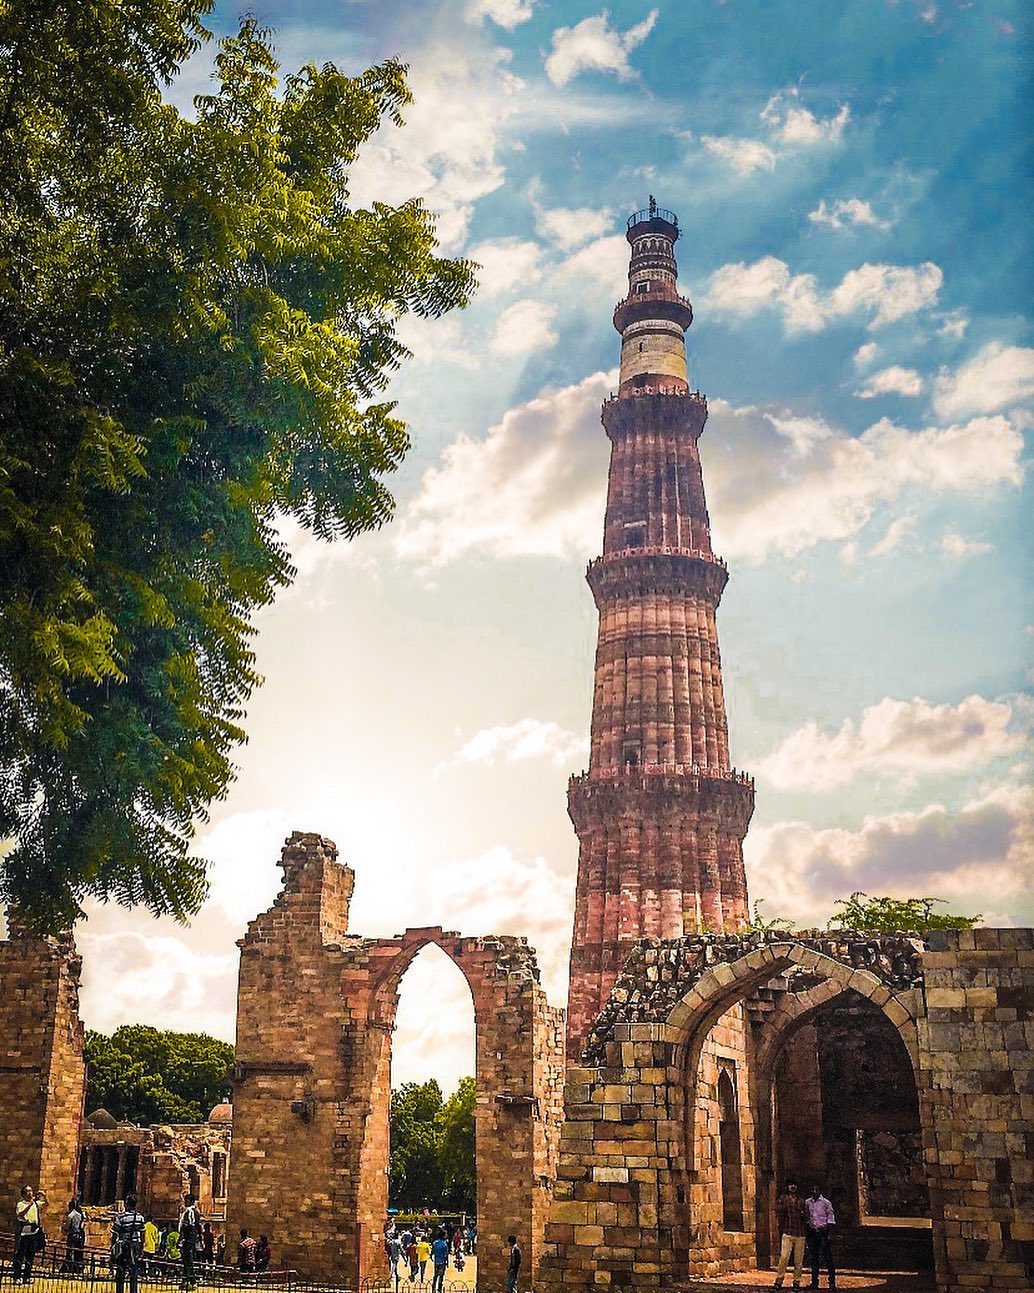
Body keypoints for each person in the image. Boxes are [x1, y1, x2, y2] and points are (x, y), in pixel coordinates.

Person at [773, 1180, 807, 1289]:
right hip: (787, 1232)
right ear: (787, 1187)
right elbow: (778, 1211)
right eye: (790, 1185)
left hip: (800, 1233)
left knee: (798, 1260)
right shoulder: (783, 1199)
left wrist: (803, 1215)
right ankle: (779, 1280)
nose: (792, 1187)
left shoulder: (801, 1201)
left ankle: (796, 1281)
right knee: (784, 1257)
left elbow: (807, 1216)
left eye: (794, 1185)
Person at [111, 1194, 146, 1293]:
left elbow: (114, 1233)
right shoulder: (140, 1217)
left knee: (121, 1270)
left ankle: (120, 1290)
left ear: (126, 1203)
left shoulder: (121, 1217)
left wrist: (113, 1246)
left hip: (124, 1245)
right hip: (135, 1245)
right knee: (134, 1270)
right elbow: (143, 1233)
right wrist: (141, 1247)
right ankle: (133, 1291)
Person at [13, 1185, 47, 1285]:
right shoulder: (21, 1204)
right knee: (20, 1255)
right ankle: (17, 1277)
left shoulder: (36, 1204)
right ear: (23, 1194)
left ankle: (27, 1276)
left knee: (30, 1256)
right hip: (24, 1233)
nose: (30, 1193)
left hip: (34, 1232)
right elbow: (20, 1215)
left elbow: (46, 1205)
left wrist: (44, 1196)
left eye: (31, 1191)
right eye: (27, 1192)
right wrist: (29, 1205)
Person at [804, 1186, 836, 1290]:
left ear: (820, 1191)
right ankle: (814, 1282)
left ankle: (832, 1283)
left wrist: (828, 1230)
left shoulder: (826, 1203)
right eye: (813, 1190)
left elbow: (830, 1216)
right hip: (813, 1232)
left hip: (823, 1232)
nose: (814, 1191)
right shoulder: (808, 1202)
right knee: (814, 1258)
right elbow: (807, 1216)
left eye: (816, 1190)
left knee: (828, 1258)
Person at [178, 1193, 201, 1290]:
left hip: (188, 1240)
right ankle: (185, 1281)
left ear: (191, 1201)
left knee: (188, 1260)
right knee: (186, 1260)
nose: (185, 1202)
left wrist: (182, 1239)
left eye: (186, 1201)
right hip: (191, 1239)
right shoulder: (196, 1211)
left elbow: (187, 1226)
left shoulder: (189, 1211)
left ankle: (192, 1281)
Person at [61, 1198, 85, 1274]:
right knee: (78, 1252)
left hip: (72, 1235)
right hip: (79, 1235)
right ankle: (77, 1268)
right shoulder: (79, 1215)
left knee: (70, 1251)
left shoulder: (70, 1216)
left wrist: (63, 1227)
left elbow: (67, 1226)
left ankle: (70, 1268)